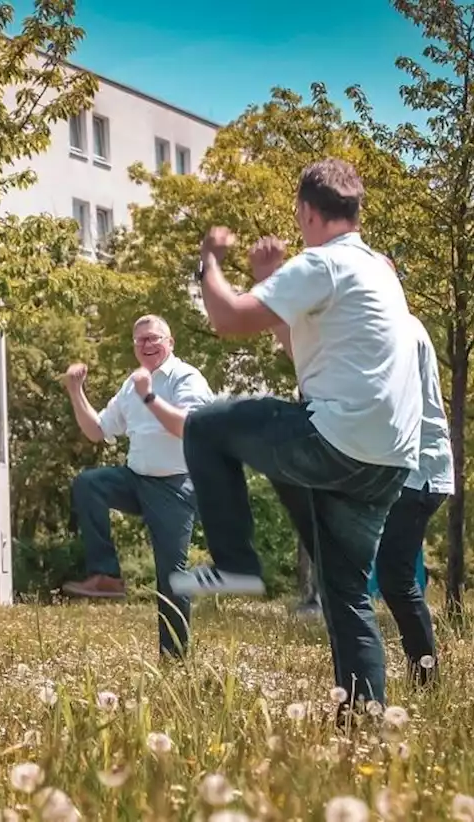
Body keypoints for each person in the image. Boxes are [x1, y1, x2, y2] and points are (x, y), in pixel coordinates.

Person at [173, 158, 421, 707]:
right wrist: (269, 281)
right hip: (388, 457)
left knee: (207, 425)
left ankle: (236, 564)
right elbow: (298, 349)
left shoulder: (323, 262)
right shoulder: (378, 267)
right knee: (346, 593)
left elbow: (228, 319)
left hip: (336, 440)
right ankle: (363, 726)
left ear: (308, 212)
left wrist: (209, 261)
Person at [285, 272, 451, 685]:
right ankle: (387, 680)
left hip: (414, 472)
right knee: (375, 577)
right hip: (398, 468)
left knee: (387, 578)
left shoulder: (400, 331)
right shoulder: (383, 329)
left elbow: (377, 399)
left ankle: (416, 678)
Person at [61, 315, 215, 658]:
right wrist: (75, 391)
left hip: (176, 485)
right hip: (136, 479)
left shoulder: (185, 377)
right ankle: (106, 576)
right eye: (140, 340)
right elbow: (97, 430)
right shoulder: (132, 385)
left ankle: (174, 657)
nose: (147, 345)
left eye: (153, 338)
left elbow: (188, 428)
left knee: (171, 576)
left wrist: (150, 398)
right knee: (90, 484)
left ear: (170, 342)